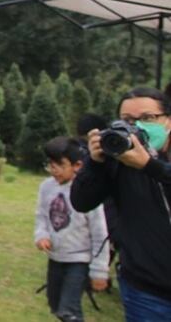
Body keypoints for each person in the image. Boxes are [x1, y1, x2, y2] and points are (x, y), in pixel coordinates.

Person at [71, 87, 171, 320]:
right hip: (146, 291)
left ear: (167, 120)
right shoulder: (118, 160)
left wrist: (149, 165)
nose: (138, 125)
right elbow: (80, 201)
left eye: (148, 118)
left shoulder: (149, 163)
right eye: (127, 120)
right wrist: (95, 163)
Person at [35, 136, 109, 322]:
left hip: (79, 260)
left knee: (69, 310)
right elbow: (42, 217)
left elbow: (100, 234)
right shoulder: (46, 187)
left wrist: (99, 271)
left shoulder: (87, 192)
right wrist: (41, 235)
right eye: (50, 164)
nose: (54, 170)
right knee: (55, 305)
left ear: (77, 165)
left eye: (60, 164)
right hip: (55, 258)